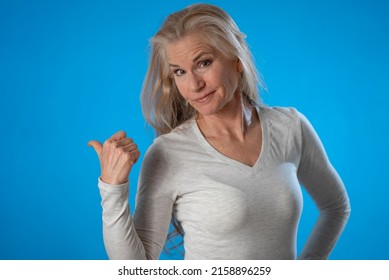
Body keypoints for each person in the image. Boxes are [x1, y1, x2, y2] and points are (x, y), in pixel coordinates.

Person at [88, 3, 350, 260]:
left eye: (204, 63)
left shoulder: (291, 126)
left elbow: (336, 207)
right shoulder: (168, 153)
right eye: (179, 72)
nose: (194, 85)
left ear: (237, 59)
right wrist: (113, 187)